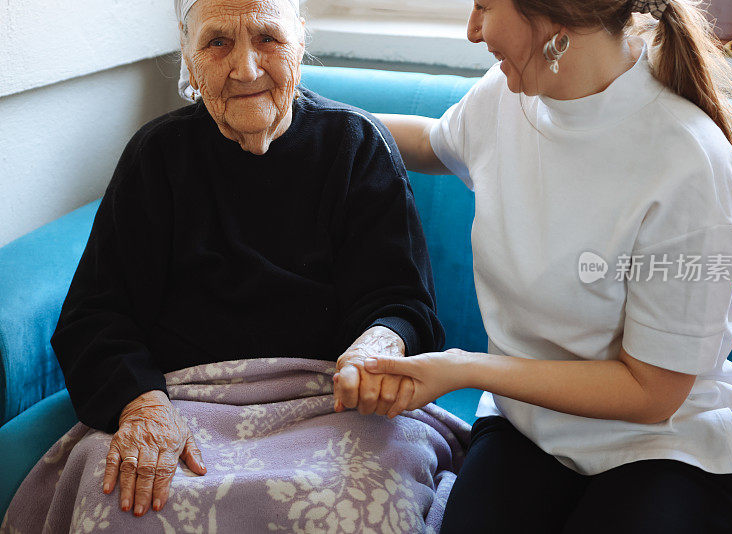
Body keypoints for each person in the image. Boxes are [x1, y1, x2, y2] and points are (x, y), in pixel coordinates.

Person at [359, 0, 732, 532]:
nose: (472, 30)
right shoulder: (506, 97)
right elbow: (429, 142)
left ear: (555, 23)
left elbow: (652, 393)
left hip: (665, 445)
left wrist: (462, 367)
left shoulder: (690, 161)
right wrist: (302, 113)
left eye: (485, 5)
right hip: (530, 428)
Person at [50, 0, 443, 518]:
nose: (246, 68)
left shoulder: (357, 144)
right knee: (125, 504)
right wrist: (142, 406)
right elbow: (95, 315)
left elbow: (403, 302)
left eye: (267, 38)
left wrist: (377, 343)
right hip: (181, 404)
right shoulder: (157, 156)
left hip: (331, 405)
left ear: (300, 41)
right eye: (217, 43)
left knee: (364, 510)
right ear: (189, 61)